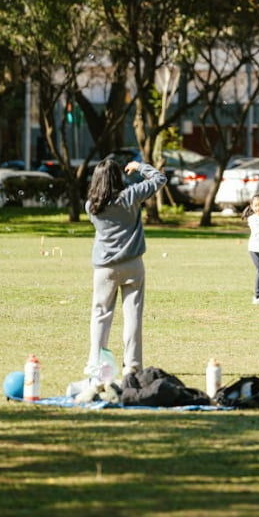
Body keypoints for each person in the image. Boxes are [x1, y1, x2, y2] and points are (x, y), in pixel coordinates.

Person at [84, 158, 166, 379]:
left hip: (104, 267)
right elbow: (159, 178)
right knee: (133, 317)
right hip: (132, 264)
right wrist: (140, 167)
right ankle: (132, 366)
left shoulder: (91, 205)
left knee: (101, 315)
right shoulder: (131, 196)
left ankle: (96, 363)